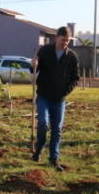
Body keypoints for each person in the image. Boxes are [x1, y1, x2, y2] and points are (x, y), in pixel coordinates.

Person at [31, 26, 80, 171]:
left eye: (67, 40)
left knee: (57, 129)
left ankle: (54, 158)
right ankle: (38, 149)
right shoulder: (45, 51)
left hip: (59, 99)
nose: (65, 43)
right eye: (63, 39)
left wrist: (66, 91)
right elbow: (35, 70)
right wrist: (33, 65)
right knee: (42, 123)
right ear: (56, 37)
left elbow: (75, 78)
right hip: (44, 95)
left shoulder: (71, 57)